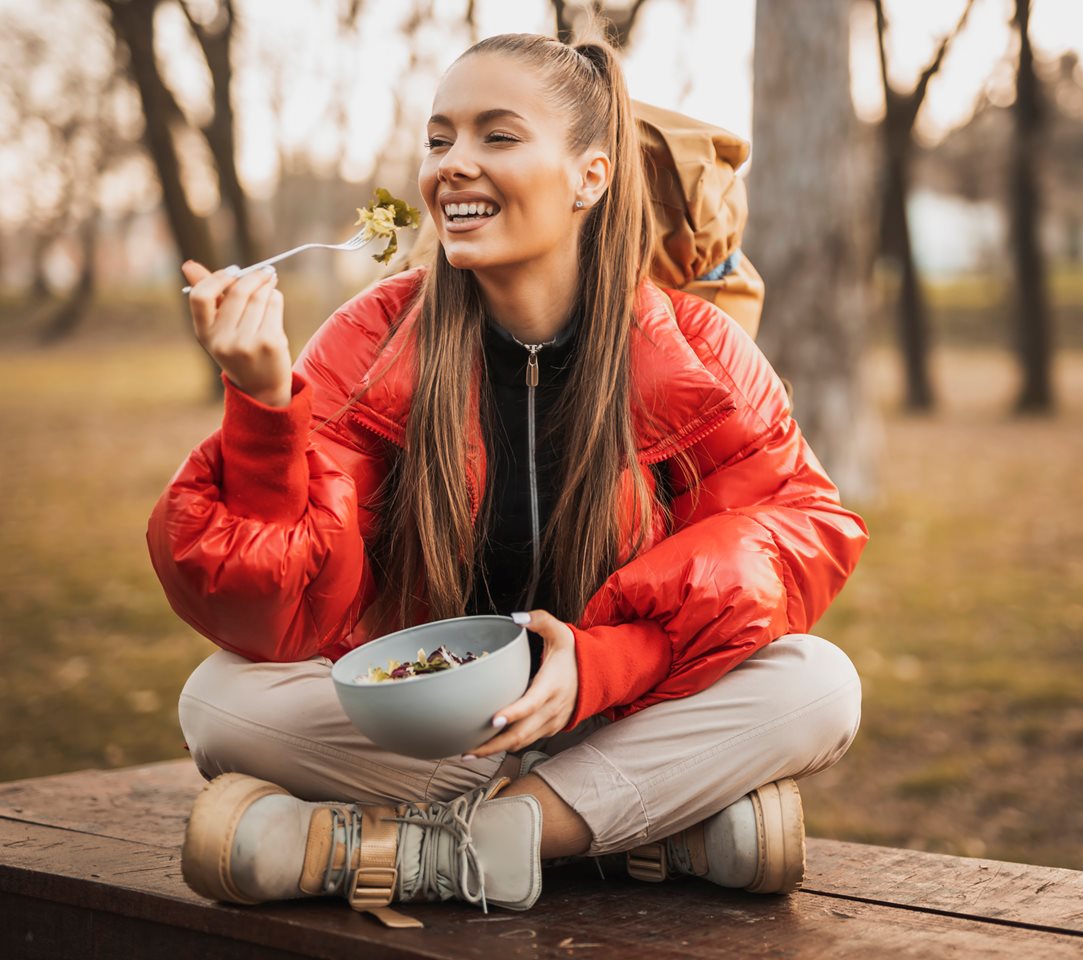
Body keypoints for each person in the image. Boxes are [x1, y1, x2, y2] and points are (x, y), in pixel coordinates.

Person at [151, 28, 869, 926]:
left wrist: (604, 664)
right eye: (439, 139)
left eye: (497, 136)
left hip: (623, 708)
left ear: (589, 178)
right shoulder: (372, 339)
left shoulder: (696, 349)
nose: (453, 164)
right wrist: (262, 409)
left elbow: (797, 534)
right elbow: (275, 611)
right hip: (451, 729)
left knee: (818, 682)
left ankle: (417, 848)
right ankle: (635, 830)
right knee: (220, 701)